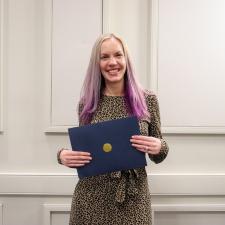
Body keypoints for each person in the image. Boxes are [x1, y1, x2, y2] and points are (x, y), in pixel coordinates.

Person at [57, 33, 169, 225]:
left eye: (118, 55)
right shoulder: (87, 103)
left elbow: (158, 156)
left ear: (126, 59)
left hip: (133, 199)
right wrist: (62, 155)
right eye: (104, 57)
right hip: (91, 199)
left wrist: (160, 147)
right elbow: (85, 152)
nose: (112, 62)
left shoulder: (147, 99)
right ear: (97, 63)